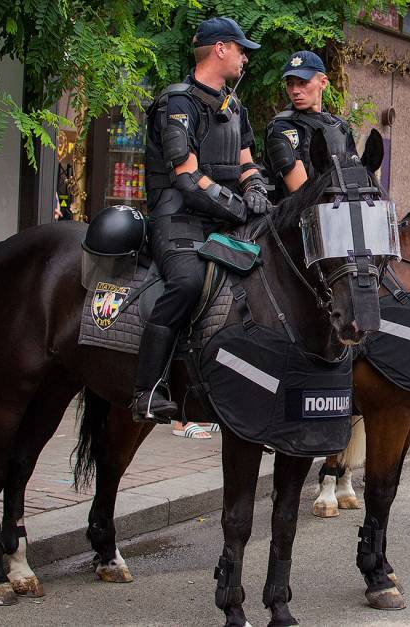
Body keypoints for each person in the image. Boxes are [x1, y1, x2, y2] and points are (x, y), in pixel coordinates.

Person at [133, 17, 270, 424]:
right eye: (241, 49)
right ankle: (147, 389)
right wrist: (238, 205)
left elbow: (247, 163)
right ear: (220, 49)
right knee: (188, 283)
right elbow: (187, 179)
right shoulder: (177, 103)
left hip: (224, 223)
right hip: (178, 220)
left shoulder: (235, 106)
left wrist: (257, 189)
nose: (245, 57)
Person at [264, 50, 358, 197]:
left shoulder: (341, 127)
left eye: (303, 83)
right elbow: (302, 195)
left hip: (339, 213)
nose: (295, 90)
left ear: (323, 83)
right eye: (290, 84)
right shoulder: (282, 128)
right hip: (295, 216)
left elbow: (354, 180)